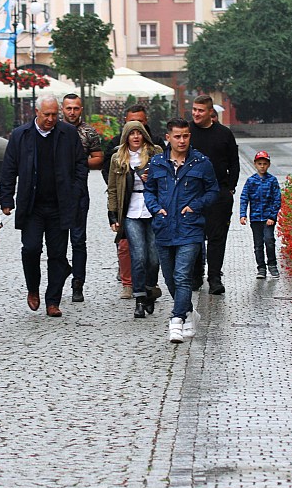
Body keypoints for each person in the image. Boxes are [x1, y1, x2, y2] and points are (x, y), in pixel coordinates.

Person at [0, 94, 88, 318]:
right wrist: (6, 199)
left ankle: (53, 300)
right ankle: (33, 288)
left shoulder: (68, 133)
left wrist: (76, 190)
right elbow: (9, 168)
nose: (50, 119)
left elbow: (80, 164)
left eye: (54, 114)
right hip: (32, 205)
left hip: (60, 204)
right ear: (36, 112)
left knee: (57, 254)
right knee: (30, 249)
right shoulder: (20, 135)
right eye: (46, 114)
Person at [144, 118, 218, 344]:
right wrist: (155, 209)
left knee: (182, 275)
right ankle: (188, 312)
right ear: (168, 138)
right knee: (170, 279)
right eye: (177, 136)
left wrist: (195, 206)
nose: (182, 140)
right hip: (164, 228)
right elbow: (149, 190)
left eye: (186, 135)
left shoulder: (201, 162)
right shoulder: (157, 163)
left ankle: (176, 320)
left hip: (190, 228)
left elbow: (213, 191)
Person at [102, 104, 161, 300]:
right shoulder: (117, 158)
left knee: (153, 258)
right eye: (131, 133)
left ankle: (150, 286)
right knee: (138, 255)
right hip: (130, 211)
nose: (136, 136)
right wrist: (112, 215)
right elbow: (112, 188)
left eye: (139, 132)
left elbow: (167, 180)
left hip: (152, 209)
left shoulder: (156, 153)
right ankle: (139, 295)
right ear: (125, 136)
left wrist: (152, 178)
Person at [188, 94, 239, 295]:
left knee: (217, 237)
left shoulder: (224, 134)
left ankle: (215, 277)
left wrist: (230, 187)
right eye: (194, 109)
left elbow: (234, 163)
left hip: (219, 193)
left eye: (200, 110)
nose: (196, 113)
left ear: (211, 112)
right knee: (194, 236)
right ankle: (195, 275)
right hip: (192, 194)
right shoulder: (187, 132)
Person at [62, 93, 103, 303]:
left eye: (75, 108)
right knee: (57, 241)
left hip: (79, 192)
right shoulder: (54, 130)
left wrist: (77, 162)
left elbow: (98, 158)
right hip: (55, 194)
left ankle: (78, 283)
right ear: (62, 109)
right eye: (68, 108)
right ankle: (59, 277)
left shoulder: (89, 132)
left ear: (81, 109)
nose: (72, 112)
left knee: (78, 240)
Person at [239, 151, 282, 279]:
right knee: (258, 245)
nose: (262, 166)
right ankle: (261, 268)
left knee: (269, 241)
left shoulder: (272, 180)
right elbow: (244, 198)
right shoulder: (251, 181)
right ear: (255, 164)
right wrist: (243, 214)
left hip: (268, 218)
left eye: (264, 164)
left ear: (268, 165)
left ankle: (272, 265)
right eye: (259, 164)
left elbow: (277, 199)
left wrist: (272, 216)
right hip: (256, 218)